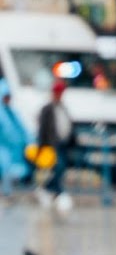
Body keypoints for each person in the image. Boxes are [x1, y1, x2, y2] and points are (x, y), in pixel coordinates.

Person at [35, 79, 75, 213]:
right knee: (59, 167)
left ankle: (51, 189)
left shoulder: (63, 107)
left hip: (63, 143)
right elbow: (42, 129)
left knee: (62, 169)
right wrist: (41, 147)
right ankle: (57, 191)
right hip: (52, 144)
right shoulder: (47, 109)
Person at [0, 80, 27, 198]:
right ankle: (6, 192)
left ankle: (7, 192)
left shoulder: (12, 112)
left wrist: (30, 141)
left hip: (13, 149)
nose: (7, 99)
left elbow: (22, 129)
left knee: (12, 171)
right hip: (2, 147)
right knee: (5, 169)